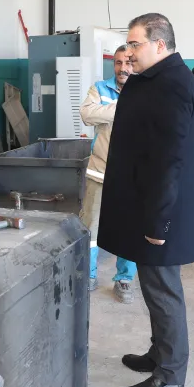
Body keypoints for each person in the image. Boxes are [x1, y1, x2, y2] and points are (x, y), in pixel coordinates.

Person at [97, 13, 194, 387]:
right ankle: (159, 352)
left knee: (163, 291)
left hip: (163, 212)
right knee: (152, 285)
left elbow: (170, 161)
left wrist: (159, 222)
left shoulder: (173, 85)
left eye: (135, 44)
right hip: (147, 205)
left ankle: (171, 374)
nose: (128, 52)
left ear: (159, 44)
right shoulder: (154, 79)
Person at [79, 45, 138, 304]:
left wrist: (107, 112)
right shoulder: (99, 88)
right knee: (91, 228)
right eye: (118, 63)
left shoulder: (145, 90)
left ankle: (124, 279)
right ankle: (88, 275)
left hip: (132, 175)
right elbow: (86, 114)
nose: (123, 68)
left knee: (130, 230)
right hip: (100, 172)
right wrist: (123, 107)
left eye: (128, 63)